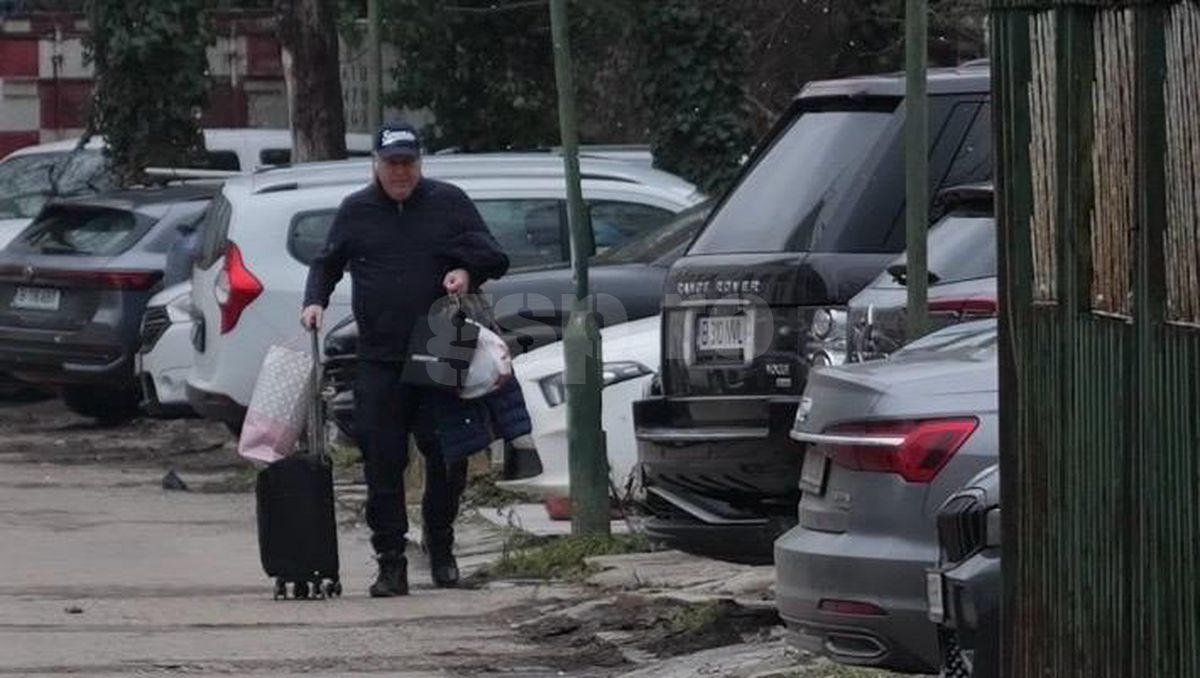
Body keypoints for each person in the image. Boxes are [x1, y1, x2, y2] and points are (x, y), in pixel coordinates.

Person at [301, 121, 510, 597]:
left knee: (447, 455)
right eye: (392, 163)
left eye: (408, 163)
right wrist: (314, 301)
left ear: (420, 163)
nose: (400, 172)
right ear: (375, 164)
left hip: (442, 341)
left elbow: (494, 257)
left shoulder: (448, 202)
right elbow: (327, 263)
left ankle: (441, 545)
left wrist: (465, 270)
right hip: (379, 353)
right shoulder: (356, 210)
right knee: (382, 460)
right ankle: (390, 561)